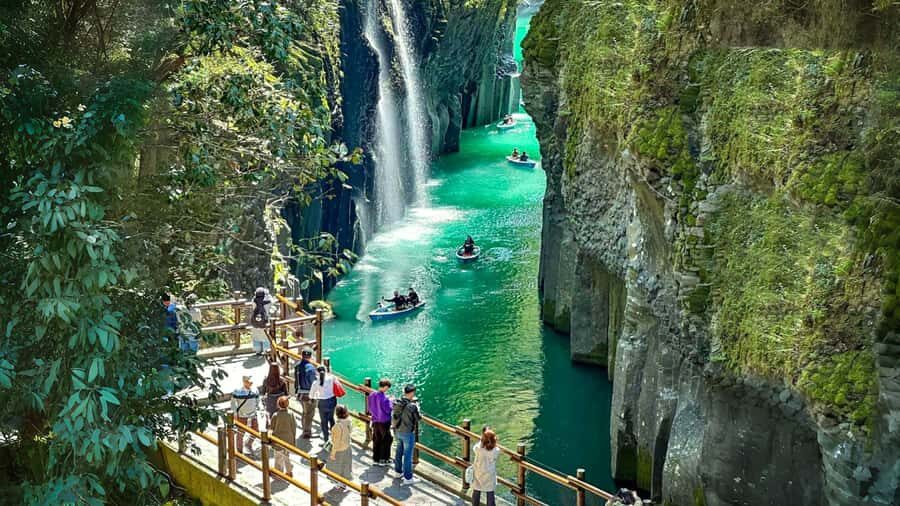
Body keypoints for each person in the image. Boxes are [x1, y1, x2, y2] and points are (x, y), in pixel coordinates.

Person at [392, 384, 421, 485]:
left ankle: (398, 472)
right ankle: (408, 478)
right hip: (408, 433)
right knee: (408, 456)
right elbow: (418, 418)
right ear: (412, 393)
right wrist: (417, 408)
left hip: (397, 431)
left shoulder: (397, 402)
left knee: (399, 452)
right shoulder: (412, 406)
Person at [231, 375, 260, 455]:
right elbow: (233, 403)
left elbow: (258, 401)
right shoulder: (237, 391)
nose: (250, 383)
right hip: (242, 415)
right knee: (241, 432)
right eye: (248, 382)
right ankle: (239, 451)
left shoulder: (255, 390)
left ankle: (248, 444)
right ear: (244, 382)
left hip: (253, 414)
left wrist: (259, 409)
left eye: (251, 382)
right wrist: (235, 414)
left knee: (256, 430)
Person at [310, 366, 340, 441]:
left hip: (322, 403)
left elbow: (311, 395)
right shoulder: (332, 378)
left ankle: (326, 440)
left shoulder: (316, 382)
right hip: (332, 401)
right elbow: (338, 384)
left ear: (317, 372)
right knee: (331, 419)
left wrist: (313, 398)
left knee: (324, 422)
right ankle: (334, 439)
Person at [471, 427, 500, 506]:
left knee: (476, 491)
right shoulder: (496, 450)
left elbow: (476, 447)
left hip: (478, 472)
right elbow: (495, 451)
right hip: (489, 474)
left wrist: (482, 441)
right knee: (490, 493)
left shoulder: (478, 448)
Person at [367, 378, 393, 466]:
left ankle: (376, 459)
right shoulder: (385, 398)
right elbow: (388, 410)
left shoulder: (372, 395)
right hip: (384, 421)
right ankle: (384, 459)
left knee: (376, 439)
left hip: (375, 420)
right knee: (386, 439)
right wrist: (391, 401)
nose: (387, 390)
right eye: (387, 388)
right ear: (385, 387)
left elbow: (369, 408)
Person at [294, 348, 318, 438]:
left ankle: (304, 428)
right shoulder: (311, 369)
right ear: (310, 356)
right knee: (309, 414)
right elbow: (313, 383)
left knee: (304, 412)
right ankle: (306, 432)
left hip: (300, 393)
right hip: (309, 395)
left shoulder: (297, 366)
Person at [270, 396, 296, 477]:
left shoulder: (275, 415)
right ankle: (289, 471)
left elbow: (272, 428)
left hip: (278, 440)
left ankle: (278, 472)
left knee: (278, 457)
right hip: (288, 439)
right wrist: (293, 439)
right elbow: (294, 426)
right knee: (286, 456)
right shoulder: (291, 414)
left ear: (278, 405)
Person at [330, 404, 353, 488]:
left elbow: (336, 442)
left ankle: (339, 483)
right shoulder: (349, 422)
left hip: (339, 449)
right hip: (348, 446)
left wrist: (333, 453)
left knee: (338, 466)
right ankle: (345, 481)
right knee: (346, 465)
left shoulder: (337, 426)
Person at [248, 287, 272, 356]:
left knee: (256, 337)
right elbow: (272, 302)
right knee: (266, 337)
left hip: (255, 322)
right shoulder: (267, 301)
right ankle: (266, 350)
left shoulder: (254, 300)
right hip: (265, 322)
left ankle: (257, 350)